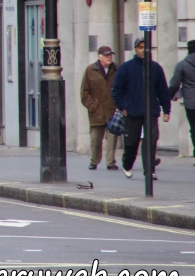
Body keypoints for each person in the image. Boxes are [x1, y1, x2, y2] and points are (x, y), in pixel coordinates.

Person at [111, 38, 170, 180]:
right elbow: (117, 90)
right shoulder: (126, 68)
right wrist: (123, 106)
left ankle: (149, 170)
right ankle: (127, 164)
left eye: (145, 47)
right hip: (132, 111)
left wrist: (166, 109)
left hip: (151, 112)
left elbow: (162, 90)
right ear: (135, 49)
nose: (143, 50)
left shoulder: (156, 68)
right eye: (140, 47)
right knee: (131, 143)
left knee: (150, 142)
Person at [80, 46, 120, 170]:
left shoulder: (117, 69)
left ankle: (110, 162)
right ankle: (94, 160)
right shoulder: (90, 70)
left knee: (112, 138)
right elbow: (84, 92)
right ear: (99, 57)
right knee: (96, 139)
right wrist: (92, 106)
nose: (109, 57)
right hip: (96, 112)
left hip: (112, 110)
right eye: (106, 55)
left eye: (110, 55)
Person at [168, 40, 195, 163]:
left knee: (194, 129)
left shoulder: (182, 65)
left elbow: (174, 84)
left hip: (191, 102)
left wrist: (167, 97)